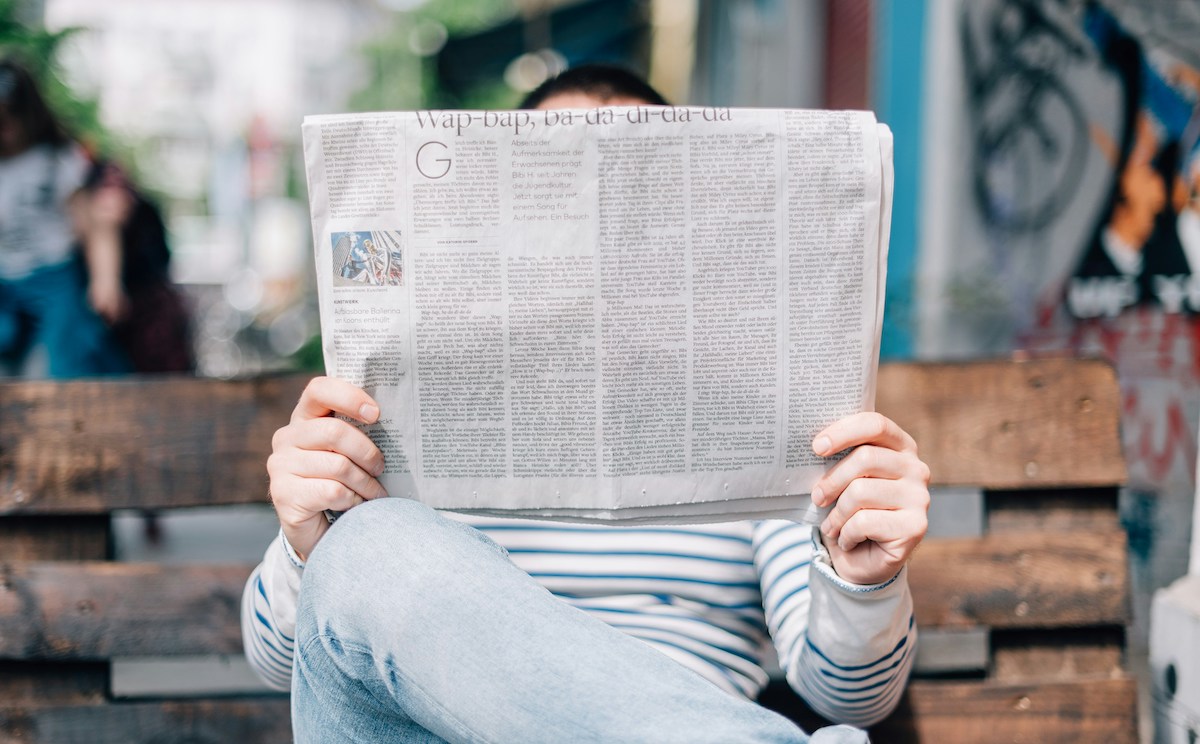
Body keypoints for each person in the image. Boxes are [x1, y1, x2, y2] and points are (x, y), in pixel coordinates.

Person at [243, 65, 930, 743]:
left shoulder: (758, 419)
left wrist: (864, 580)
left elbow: (850, 693)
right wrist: (311, 543)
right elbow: (284, 663)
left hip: (696, 709)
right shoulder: (392, 414)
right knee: (372, 547)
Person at [0, 58, 131, 378]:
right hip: (4, 280)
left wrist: (106, 280)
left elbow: (96, 226)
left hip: (54, 276)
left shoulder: (57, 159)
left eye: (9, 118)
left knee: (65, 361)